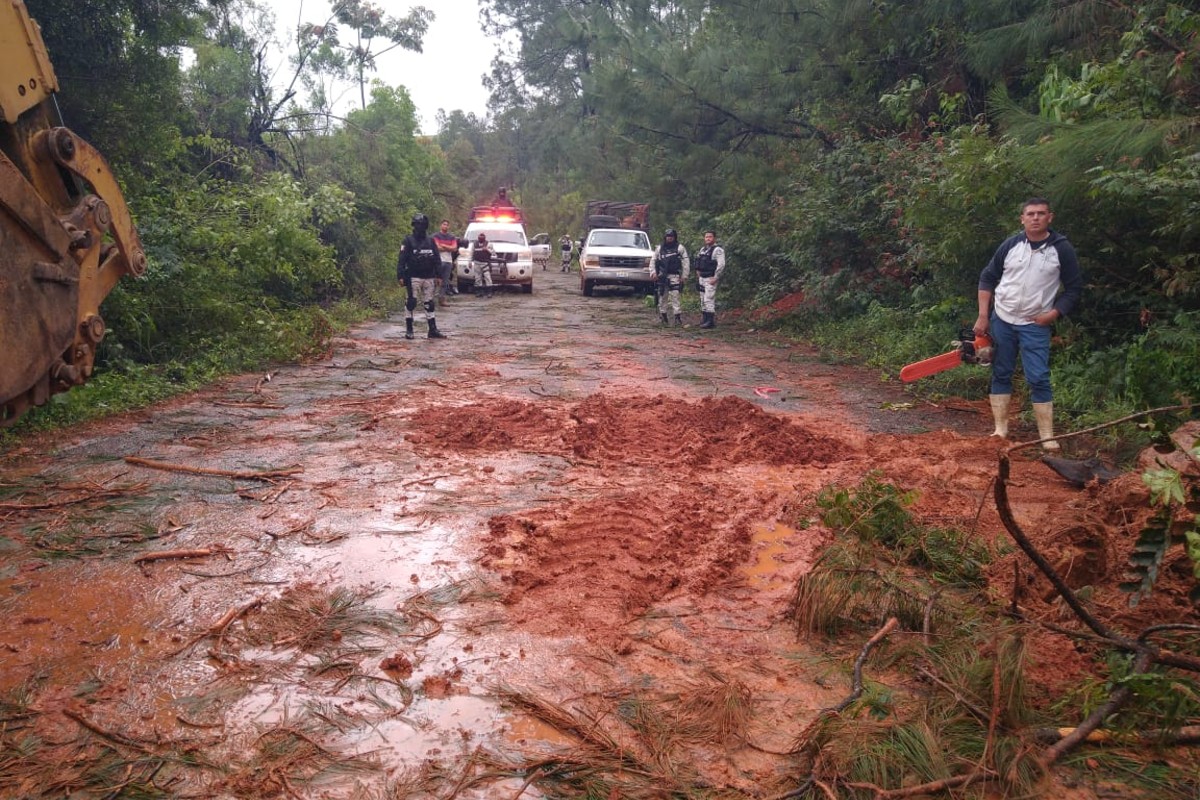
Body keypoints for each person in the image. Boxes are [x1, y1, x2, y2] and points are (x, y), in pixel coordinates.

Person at [974, 198, 1082, 449]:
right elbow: (987, 278)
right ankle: (1000, 429)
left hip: (1036, 323)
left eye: (1041, 214)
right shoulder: (1011, 246)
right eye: (1030, 214)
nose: (1035, 218)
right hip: (1002, 318)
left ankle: (1047, 436)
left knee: (1038, 377)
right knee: (1001, 371)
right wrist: (983, 315)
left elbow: (1074, 289)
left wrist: (1053, 314)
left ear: (1050, 218)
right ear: (1022, 219)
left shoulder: (1061, 249)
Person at [397, 213, 447, 339]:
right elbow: (402, 260)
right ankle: (409, 330)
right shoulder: (408, 241)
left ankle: (432, 330)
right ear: (413, 226)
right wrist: (400, 276)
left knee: (429, 303)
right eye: (417, 225)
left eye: (422, 225)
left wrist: (439, 275)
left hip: (429, 276)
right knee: (411, 302)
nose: (420, 227)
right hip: (413, 276)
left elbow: (437, 259)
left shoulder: (431, 241)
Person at [653, 229, 690, 327]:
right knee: (662, 297)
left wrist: (684, 276)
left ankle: (677, 317)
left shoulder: (680, 248)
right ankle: (663, 316)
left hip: (675, 276)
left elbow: (685, 263)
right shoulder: (659, 248)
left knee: (675, 297)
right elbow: (653, 260)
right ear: (665, 237)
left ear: (674, 237)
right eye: (667, 236)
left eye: (671, 236)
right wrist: (653, 273)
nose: (669, 238)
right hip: (662, 276)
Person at [694, 230, 726, 329]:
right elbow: (699, 261)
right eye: (706, 237)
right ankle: (704, 319)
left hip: (710, 278)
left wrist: (716, 277)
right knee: (702, 299)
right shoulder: (703, 249)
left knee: (709, 299)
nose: (708, 238)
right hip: (702, 277)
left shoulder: (718, 250)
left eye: (710, 237)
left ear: (714, 238)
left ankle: (710, 321)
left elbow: (721, 264)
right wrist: (698, 271)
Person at [432, 219, 459, 303]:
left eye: (447, 225)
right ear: (441, 225)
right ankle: (430, 299)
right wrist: (449, 247)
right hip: (438, 261)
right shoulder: (436, 236)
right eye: (444, 224)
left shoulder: (452, 237)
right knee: (435, 280)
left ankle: (441, 299)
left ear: (449, 226)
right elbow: (437, 248)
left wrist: (443, 245)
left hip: (448, 261)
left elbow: (454, 248)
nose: (445, 226)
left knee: (445, 281)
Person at [471, 232, 496, 297]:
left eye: (482, 236)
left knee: (487, 277)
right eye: (480, 236)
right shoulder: (474, 244)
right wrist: (469, 261)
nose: (481, 237)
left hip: (485, 263)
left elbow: (493, 253)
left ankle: (489, 292)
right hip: (477, 263)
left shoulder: (489, 244)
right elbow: (471, 253)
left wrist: (487, 249)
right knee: (477, 278)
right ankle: (479, 292)